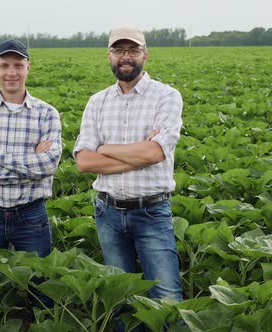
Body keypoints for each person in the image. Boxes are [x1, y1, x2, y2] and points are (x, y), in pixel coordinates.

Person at [74, 25, 184, 329]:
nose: (126, 56)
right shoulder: (97, 102)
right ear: (108, 56)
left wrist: (105, 149)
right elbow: (84, 161)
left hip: (152, 211)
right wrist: (138, 154)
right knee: (119, 300)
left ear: (145, 54)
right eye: (119, 50)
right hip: (107, 212)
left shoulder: (167, 97)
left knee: (167, 299)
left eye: (133, 50)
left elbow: (154, 154)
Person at [0, 39, 62, 327]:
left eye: (18, 65)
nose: (11, 72)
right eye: (4, 65)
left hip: (31, 213)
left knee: (42, 289)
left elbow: (49, 164)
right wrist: (29, 162)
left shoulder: (47, 113)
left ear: (28, 67)